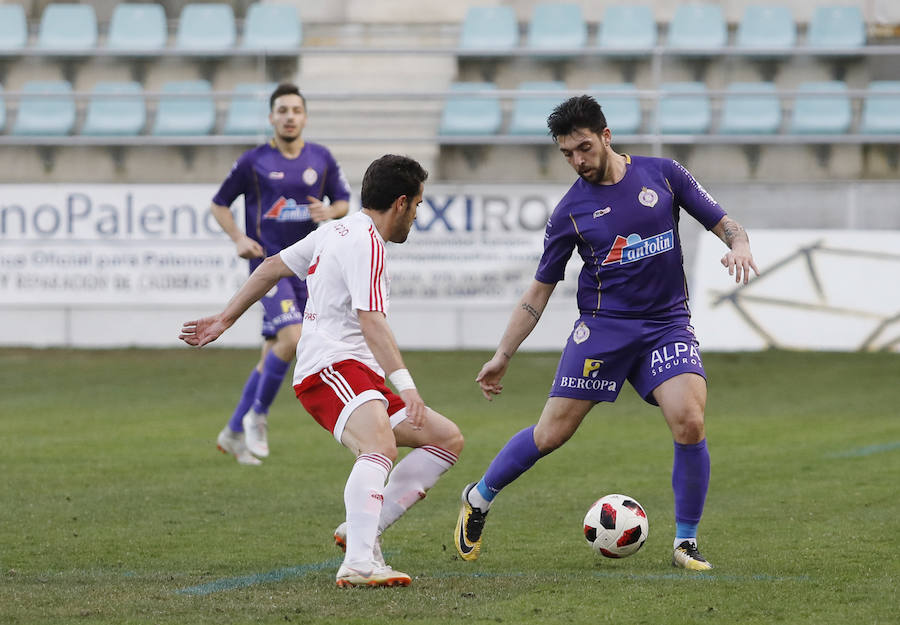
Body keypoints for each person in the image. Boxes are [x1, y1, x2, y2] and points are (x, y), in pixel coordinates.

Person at [454, 95, 759, 571]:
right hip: (602, 332)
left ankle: (685, 543)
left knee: (690, 420)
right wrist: (503, 354)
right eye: (566, 154)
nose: (577, 161)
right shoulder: (570, 212)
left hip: (666, 325)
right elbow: (538, 292)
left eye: (583, 148)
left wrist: (739, 243)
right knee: (551, 434)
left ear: (606, 136)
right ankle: (480, 495)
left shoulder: (664, 174)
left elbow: (724, 222)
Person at [181, 154, 464, 588]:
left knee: (445, 439)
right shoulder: (365, 242)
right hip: (329, 367)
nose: (417, 215)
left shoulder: (337, 228)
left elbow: (273, 265)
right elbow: (372, 321)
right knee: (380, 447)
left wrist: (225, 319)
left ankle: (361, 529)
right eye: (419, 205)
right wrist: (406, 385)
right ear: (402, 203)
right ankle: (359, 562)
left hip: (356, 372)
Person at [211, 83, 351, 466]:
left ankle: (234, 430)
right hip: (268, 267)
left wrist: (333, 212)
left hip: (308, 268)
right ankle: (259, 416)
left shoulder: (321, 158)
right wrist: (238, 237)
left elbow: (342, 200)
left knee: (272, 353)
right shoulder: (252, 162)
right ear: (272, 117)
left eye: (296, 110)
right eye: (282, 110)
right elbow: (219, 204)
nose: (289, 116)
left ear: (305, 117)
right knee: (293, 338)